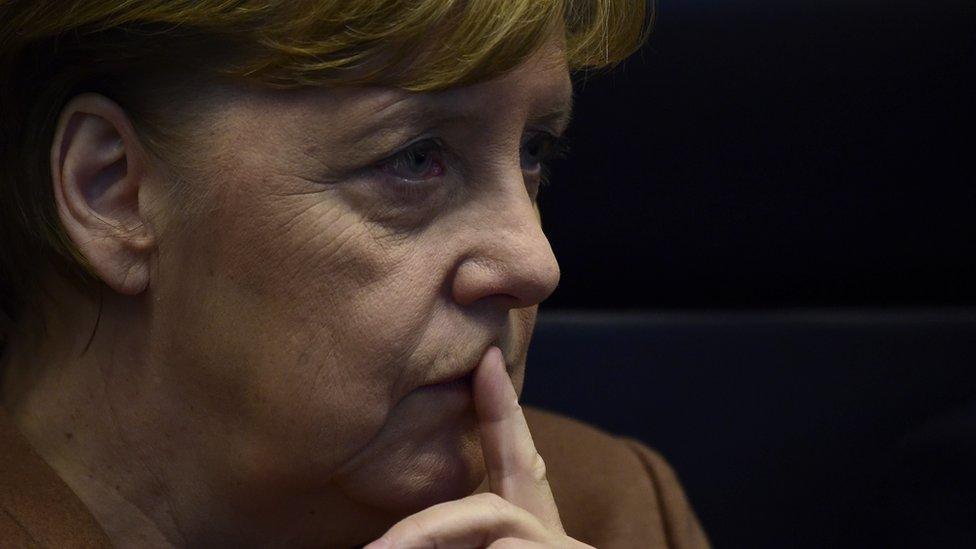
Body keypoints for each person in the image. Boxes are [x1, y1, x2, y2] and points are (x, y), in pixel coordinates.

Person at [0, 1, 709, 547]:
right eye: (415, 158)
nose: (536, 261)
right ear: (112, 190)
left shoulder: (607, 513)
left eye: (535, 152)